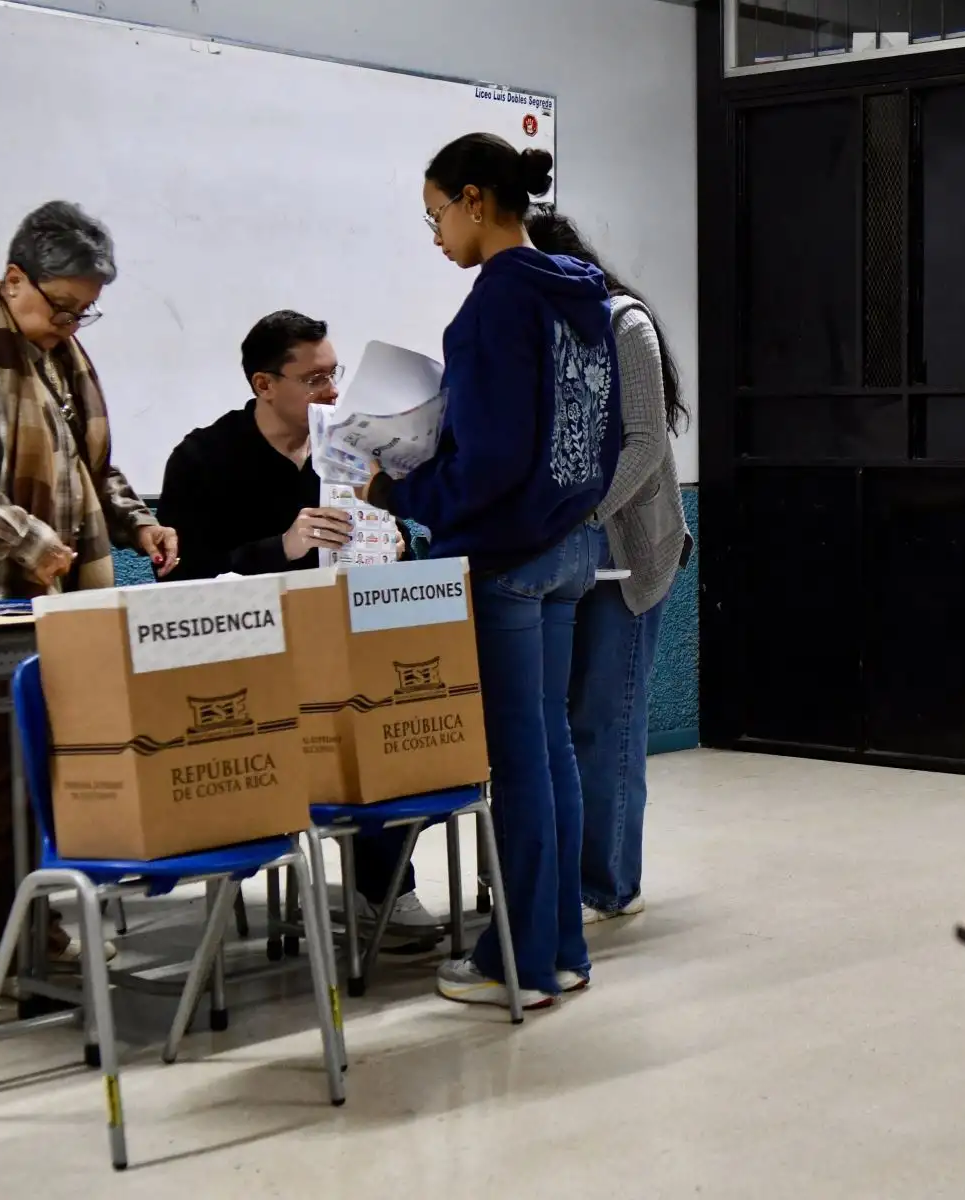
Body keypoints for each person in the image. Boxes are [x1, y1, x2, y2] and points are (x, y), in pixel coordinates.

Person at [363, 133, 621, 1010]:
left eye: (436, 215)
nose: (436, 235)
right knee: (552, 756)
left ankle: (516, 961)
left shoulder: (491, 309)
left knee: (517, 765)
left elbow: (495, 456)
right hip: (573, 546)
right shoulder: (585, 298)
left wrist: (406, 482)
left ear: (476, 200)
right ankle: (562, 949)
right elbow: (606, 435)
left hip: (507, 558)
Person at [0, 201, 180, 980]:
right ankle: (9, 948)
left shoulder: (59, 359)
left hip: (60, 606)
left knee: (54, 769)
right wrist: (27, 539)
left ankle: (43, 925)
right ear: (14, 278)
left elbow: (90, 471)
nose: (72, 324)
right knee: (9, 775)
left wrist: (138, 525)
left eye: (85, 313)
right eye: (62, 307)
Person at [155, 310, 445, 942]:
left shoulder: (353, 452)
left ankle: (384, 885)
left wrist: (394, 544)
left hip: (341, 650)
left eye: (334, 373)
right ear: (264, 384)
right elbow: (179, 584)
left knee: (404, 705)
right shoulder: (204, 458)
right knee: (343, 714)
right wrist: (280, 549)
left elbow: (397, 559)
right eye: (314, 379)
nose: (333, 391)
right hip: (246, 665)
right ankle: (375, 883)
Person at [526, 211, 690, 925]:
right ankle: (557, 877)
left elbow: (646, 441)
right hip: (563, 548)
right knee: (554, 721)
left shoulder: (623, 322)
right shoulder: (530, 331)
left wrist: (583, 516)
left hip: (626, 547)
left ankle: (609, 885)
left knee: (606, 719)